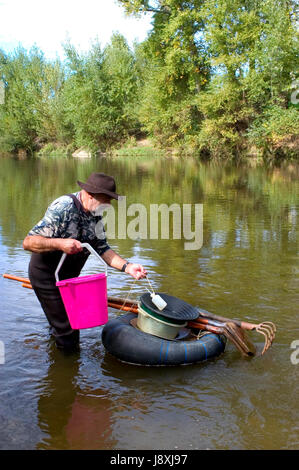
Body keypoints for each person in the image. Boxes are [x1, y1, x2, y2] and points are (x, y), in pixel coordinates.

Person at [23, 172, 147, 350]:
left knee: (62, 322)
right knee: (69, 330)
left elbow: (102, 248)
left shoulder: (96, 213)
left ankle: (54, 347)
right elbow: (28, 242)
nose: (109, 205)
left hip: (69, 279)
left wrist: (128, 267)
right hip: (47, 276)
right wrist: (60, 243)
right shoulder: (63, 207)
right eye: (106, 200)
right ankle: (68, 368)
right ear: (89, 195)